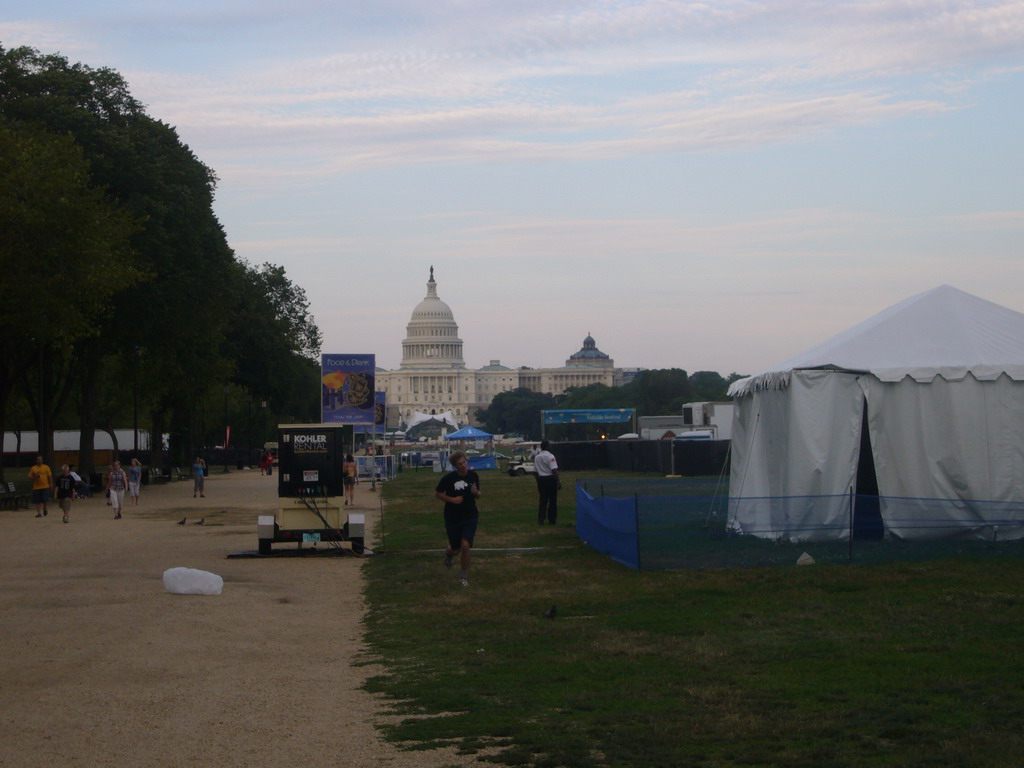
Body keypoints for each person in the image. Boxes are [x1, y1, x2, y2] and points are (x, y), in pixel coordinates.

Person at [435, 450, 481, 587]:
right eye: (460, 464)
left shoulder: (473, 475)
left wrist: (477, 492)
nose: (463, 465)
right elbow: (438, 494)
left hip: (470, 515)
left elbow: (478, 494)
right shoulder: (448, 479)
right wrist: (452, 499)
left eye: (464, 462)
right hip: (452, 517)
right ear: (455, 466)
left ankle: (463, 577)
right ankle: (449, 553)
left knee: (466, 546)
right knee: (456, 550)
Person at [534, 440, 561, 525]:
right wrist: (558, 481)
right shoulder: (550, 456)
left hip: (541, 479)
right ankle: (552, 520)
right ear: (547, 447)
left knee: (543, 500)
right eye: (549, 445)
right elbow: (554, 470)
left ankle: (541, 519)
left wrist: (538, 480)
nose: (551, 447)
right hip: (550, 479)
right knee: (552, 500)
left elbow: (535, 472)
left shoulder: (537, 457)